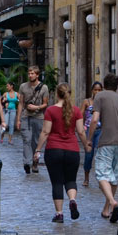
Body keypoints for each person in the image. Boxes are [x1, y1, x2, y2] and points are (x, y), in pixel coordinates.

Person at [35, 83, 87, 223]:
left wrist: (38, 149)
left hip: (54, 150)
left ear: (56, 94)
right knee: (71, 180)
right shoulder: (76, 111)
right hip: (72, 150)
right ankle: (72, 200)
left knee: (57, 182)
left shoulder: (51, 111)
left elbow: (45, 132)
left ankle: (59, 214)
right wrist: (87, 146)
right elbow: (81, 132)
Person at [86, 74, 118, 221]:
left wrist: (89, 139)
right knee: (114, 176)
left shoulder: (100, 97)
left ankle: (112, 202)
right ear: (117, 86)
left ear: (104, 85)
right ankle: (107, 209)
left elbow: (95, 120)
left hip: (107, 140)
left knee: (101, 173)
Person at [18, 66, 49, 174]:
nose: (30, 75)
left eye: (32, 73)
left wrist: (36, 107)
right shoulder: (23, 86)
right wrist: (18, 119)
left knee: (36, 141)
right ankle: (27, 162)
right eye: (29, 73)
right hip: (26, 116)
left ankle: (35, 162)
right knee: (26, 139)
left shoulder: (44, 88)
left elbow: (45, 104)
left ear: (37, 75)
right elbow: (21, 103)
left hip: (38, 116)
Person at [81, 81, 103, 187]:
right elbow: (81, 116)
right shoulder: (87, 102)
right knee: (88, 155)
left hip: (100, 130)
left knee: (100, 155)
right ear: (92, 91)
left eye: (99, 90)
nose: (97, 92)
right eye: (95, 90)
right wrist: (82, 128)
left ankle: (100, 180)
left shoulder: (103, 102)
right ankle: (86, 178)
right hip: (88, 129)